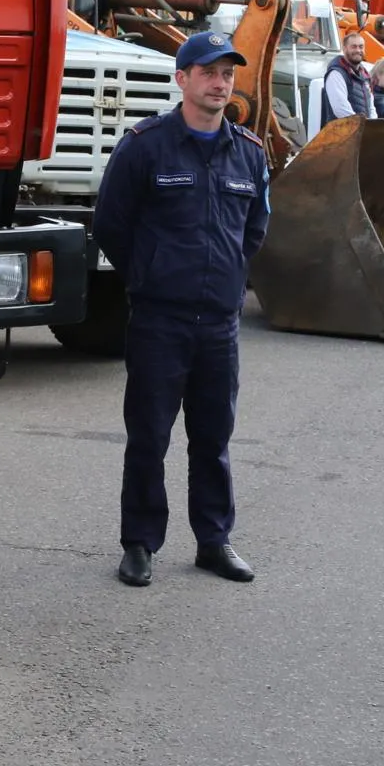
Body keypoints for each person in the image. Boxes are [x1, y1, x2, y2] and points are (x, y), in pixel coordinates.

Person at [95, 30, 270, 589]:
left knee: (213, 439)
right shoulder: (146, 146)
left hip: (218, 324)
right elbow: (111, 225)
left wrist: (228, 279)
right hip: (159, 322)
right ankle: (140, 544)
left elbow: (255, 230)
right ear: (183, 80)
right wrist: (149, 275)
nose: (221, 83)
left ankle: (214, 541)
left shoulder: (248, 152)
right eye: (209, 72)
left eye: (227, 74)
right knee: (149, 436)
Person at [320, 32, 374, 122]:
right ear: (344, 49)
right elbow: (340, 108)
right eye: (353, 47)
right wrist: (362, 125)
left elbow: (371, 106)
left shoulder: (365, 75)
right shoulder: (336, 74)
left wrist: (372, 125)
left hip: (363, 131)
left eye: (361, 47)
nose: (358, 50)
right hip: (342, 132)